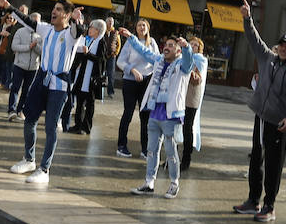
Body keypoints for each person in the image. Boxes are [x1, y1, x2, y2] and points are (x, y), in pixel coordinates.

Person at [233, 0, 286, 223]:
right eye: (281, 45)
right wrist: (247, 18)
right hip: (261, 118)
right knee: (256, 159)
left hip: (279, 124)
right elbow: (254, 39)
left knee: (274, 166)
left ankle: (269, 206)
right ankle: (253, 200)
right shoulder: (269, 59)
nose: (284, 49)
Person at [4, 0, 84, 184]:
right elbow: (28, 21)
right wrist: (9, 7)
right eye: (53, 9)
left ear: (66, 14)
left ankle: (44, 169)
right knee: (29, 118)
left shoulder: (71, 34)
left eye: (58, 9)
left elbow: (79, 30)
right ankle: (29, 159)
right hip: (41, 79)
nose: (53, 12)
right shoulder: (46, 29)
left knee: (50, 127)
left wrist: (76, 18)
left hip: (59, 85)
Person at [125, 32, 196, 199]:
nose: (167, 48)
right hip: (154, 112)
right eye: (167, 45)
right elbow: (144, 51)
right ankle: (149, 182)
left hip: (171, 115)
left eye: (172, 46)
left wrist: (186, 47)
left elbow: (189, 61)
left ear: (178, 51)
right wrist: (131, 37)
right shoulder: (158, 61)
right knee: (151, 150)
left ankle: (174, 183)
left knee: (171, 151)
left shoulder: (182, 66)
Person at [115, 18, 156, 158]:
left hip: (147, 82)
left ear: (148, 28)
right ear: (136, 28)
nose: (141, 27)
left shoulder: (153, 43)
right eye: (139, 25)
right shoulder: (130, 43)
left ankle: (145, 149)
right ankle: (121, 145)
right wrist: (132, 70)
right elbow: (120, 61)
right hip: (130, 81)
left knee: (145, 117)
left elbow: (157, 60)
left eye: (144, 25)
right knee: (128, 113)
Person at [63, 19, 106, 133]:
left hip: (92, 78)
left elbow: (101, 60)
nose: (89, 30)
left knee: (89, 103)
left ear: (98, 30)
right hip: (83, 76)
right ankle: (78, 125)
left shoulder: (101, 42)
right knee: (80, 101)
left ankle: (86, 126)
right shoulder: (91, 40)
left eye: (92, 28)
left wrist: (88, 54)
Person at [180, 36, 209, 172]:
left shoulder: (201, 60)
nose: (192, 46)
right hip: (180, 96)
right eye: (190, 44)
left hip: (191, 98)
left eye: (195, 45)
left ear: (199, 48)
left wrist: (187, 67)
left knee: (187, 128)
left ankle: (186, 159)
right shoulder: (183, 56)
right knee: (174, 128)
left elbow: (197, 79)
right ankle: (171, 159)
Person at [5, 8, 39, 120]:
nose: (35, 24)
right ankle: (11, 110)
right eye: (34, 21)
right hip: (19, 65)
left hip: (33, 67)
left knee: (27, 90)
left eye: (37, 22)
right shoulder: (20, 31)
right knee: (15, 88)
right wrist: (28, 47)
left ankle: (20, 110)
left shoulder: (40, 36)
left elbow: (43, 51)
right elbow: (14, 46)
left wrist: (36, 47)